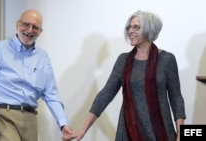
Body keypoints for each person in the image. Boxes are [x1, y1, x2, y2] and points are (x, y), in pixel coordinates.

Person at [72, 10, 186, 141]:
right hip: (128, 132)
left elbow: (176, 98)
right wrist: (83, 129)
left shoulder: (167, 59)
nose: (130, 31)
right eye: (129, 27)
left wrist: (180, 134)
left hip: (160, 133)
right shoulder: (123, 60)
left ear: (149, 29)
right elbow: (105, 94)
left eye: (136, 27)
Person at [0, 9, 73, 141]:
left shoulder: (43, 57)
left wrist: (63, 124)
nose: (30, 30)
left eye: (35, 27)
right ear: (17, 25)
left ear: (40, 32)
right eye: (26, 24)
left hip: (30, 119)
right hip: (3, 117)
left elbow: (52, 94)